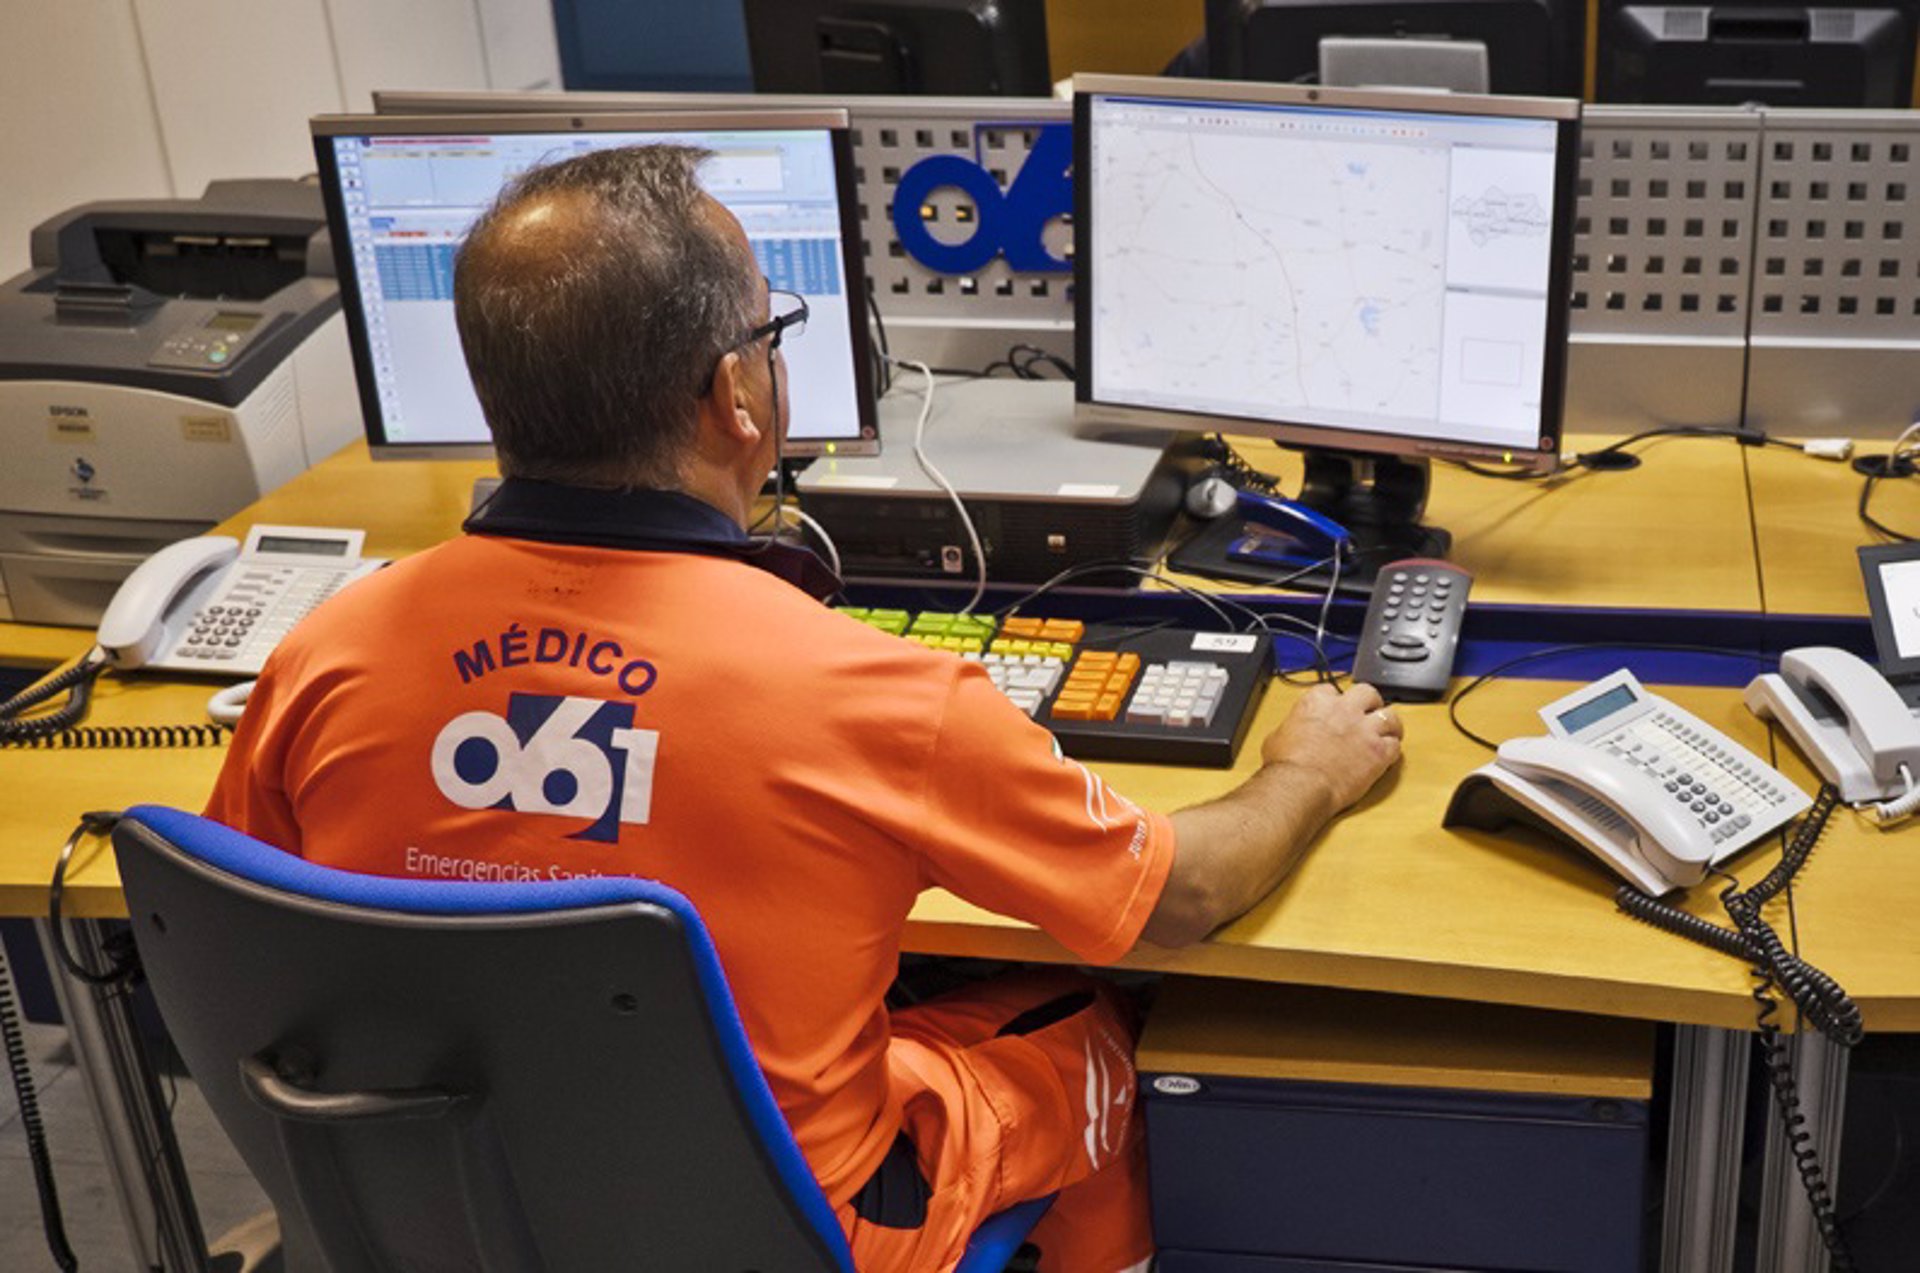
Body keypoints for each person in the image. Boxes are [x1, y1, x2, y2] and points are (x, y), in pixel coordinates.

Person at [204, 145, 1402, 1273]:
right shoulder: (874, 694)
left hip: (447, 1196)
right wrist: (1311, 769)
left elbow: (249, 934)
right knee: (1100, 1023)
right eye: (773, 337)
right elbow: (1176, 900)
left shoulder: (332, 647)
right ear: (738, 392)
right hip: (792, 1226)